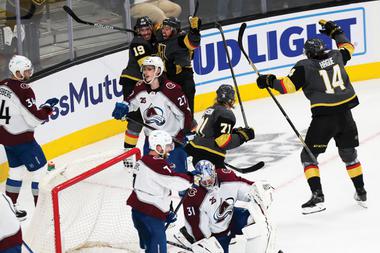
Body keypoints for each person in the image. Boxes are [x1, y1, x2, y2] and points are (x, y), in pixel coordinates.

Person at [256, 20, 367, 214]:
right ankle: (361, 191)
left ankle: (318, 197)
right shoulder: (336, 55)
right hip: (345, 116)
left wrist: (268, 80)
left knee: (308, 157)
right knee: (349, 155)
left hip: (324, 118)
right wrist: (336, 32)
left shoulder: (304, 66)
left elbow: (286, 87)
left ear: (308, 53)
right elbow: (348, 46)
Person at [0, 55, 58, 220]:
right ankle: (44, 214)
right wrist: (46, 108)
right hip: (22, 140)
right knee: (40, 173)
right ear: (17, 71)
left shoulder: (2, 84)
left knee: (15, 172)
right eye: (26, 71)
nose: (28, 73)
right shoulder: (23, 89)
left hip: (6, 138)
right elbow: (35, 119)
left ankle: (12, 209)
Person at [175, 160, 279, 253]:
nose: (208, 184)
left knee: (256, 220)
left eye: (210, 180)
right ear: (198, 178)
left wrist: (259, 191)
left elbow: (247, 188)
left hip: (231, 218)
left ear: (214, 173)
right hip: (216, 235)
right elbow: (196, 226)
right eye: (204, 182)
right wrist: (206, 244)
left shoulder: (226, 176)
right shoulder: (193, 195)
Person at [112, 56, 193, 173]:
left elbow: (184, 114)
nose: (145, 72)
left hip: (171, 141)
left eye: (149, 69)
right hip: (151, 141)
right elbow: (131, 103)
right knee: (151, 178)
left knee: (180, 181)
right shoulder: (140, 87)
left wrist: (186, 133)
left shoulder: (172, 90)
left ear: (158, 71)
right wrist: (124, 107)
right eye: (144, 69)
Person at [126, 129, 199, 253]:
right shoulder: (157, 163)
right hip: (150, 217)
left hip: (139, 212)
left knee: (150, 248)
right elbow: (173, 181)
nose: (170, 149)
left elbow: (149, 188)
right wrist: (192, 178)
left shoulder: (143, 160)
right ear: (158, 147)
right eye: (168, 146)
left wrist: (164, 213)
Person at [185, 84, 255, 168]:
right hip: (210, 154)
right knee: (225, 180)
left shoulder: (211, 109)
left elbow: (212, 131)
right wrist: (243, 136)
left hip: (195, 147)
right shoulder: (226, 114)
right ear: (231, 100)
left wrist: (234, 132)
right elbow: (223, 142)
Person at [119, 16, 156, 169]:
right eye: (142, 30)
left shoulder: (152, 39)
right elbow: (146, 63)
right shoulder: (138, 42)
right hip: (132, 82)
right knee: (135, 121)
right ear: (137, 31)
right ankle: (128, 157)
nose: (145, 32)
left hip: (144, 84)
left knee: (150, 118)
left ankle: (150, 155)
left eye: (147, 29)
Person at [156, 16, 201, 121]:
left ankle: (189, 127)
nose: (164, 31)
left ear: (175, 30)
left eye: (167, 29)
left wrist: (194, 30)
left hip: (184, 77)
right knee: (171, 107)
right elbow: (154, 31)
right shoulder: (161, 35)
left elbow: (194, 43)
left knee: (187, 106)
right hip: (169, 77)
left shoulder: (181, 38)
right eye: (163, 28)